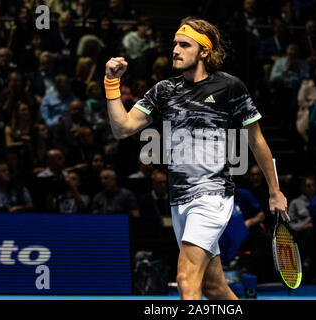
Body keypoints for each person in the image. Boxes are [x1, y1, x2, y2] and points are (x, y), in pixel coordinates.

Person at [104, 18, 288, 300]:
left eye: (184, 44)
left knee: (186, 279)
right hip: (179, 200)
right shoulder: (164, 90)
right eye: (174, 44)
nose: (175, 50)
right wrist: (112, 83)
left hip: (213, 195)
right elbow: (122, 128)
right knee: (215, 288)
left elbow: (256, 140)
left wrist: (274, 191)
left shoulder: (230, 87)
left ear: (204, 52)